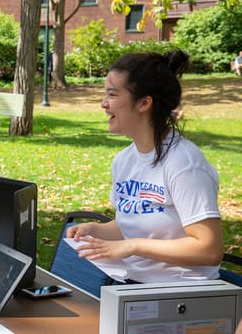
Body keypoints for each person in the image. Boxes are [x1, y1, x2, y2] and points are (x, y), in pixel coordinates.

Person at [67, 51, 222, 285]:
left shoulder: (184, 164)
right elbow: (132, 222)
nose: (103, 103)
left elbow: (208, 249)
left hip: (181, 294)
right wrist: (94, 230)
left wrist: (133, 246)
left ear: (144, 103)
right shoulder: (123, 160)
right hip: (130, 284)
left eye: (112, 94)